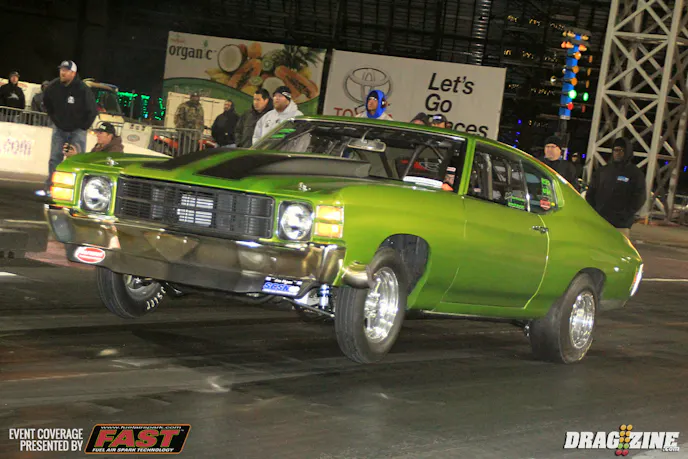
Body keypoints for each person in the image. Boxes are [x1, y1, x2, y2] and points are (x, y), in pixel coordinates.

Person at [42, 60, 98, 193]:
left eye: (66, 70)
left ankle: (76, 189)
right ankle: (52, 186)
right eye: (61, 70)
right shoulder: (54, 86)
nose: (62, 73)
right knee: (55, 158)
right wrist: (54, 118)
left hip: (77, 130)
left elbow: (92, 110)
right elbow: (46, 101)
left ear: (73, 73)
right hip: (59, 129)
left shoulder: (83, 89)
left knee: (77, 159)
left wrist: (83, 127)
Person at [586, 138, 646, 238]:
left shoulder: (635, 173)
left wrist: (625, 214)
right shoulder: (603, 171)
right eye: (615, 150)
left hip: (620, 225)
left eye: (621, 150)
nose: (617, 153)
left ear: (627, 152)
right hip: (600, 221)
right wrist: (594, 212)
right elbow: (591, 193)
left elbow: (639, 197)